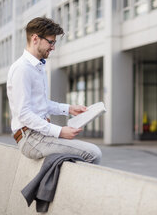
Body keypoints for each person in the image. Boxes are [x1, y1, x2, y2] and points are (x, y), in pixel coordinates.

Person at [6, 17, 102, 164]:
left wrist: (70, 109)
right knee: (93, 153)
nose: (53, 47)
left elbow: (41, 104)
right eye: (50, 42)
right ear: (35, 38)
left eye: (54, 42)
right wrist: (59, 131)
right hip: (31, 138)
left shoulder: (37, 67)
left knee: (81, 154)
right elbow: (24, 114)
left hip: (38, 134)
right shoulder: (22, 69)